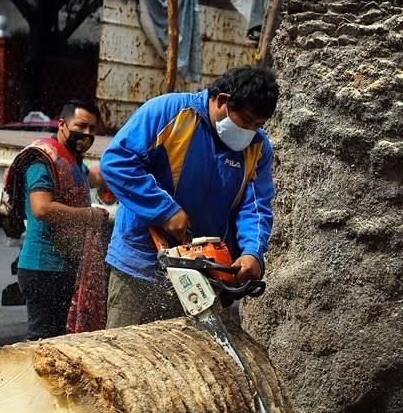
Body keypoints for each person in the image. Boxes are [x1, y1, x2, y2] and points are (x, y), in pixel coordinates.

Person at [100, 66, 279, 329]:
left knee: (190, 360)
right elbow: (117, 162)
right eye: (247, 120)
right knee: (122, 356)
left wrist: (253, 251)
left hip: (205, 271)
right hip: (141, 263)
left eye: (258, 125)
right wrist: (165, 210)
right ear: (222, 101)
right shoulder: (169, 112)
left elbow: (255, 207)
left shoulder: (258, 147)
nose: (250, 131)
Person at [4, 99, 111, 340]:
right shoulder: (43, 160)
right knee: (43, 345)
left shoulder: (71, 161)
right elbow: (42, 208)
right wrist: (89, 215)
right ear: (62, 124)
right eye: (81, 126)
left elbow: (91, 177)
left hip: (63, 269)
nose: (86, 133)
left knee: (62, 345)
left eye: (92, 129)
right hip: (43, 269)